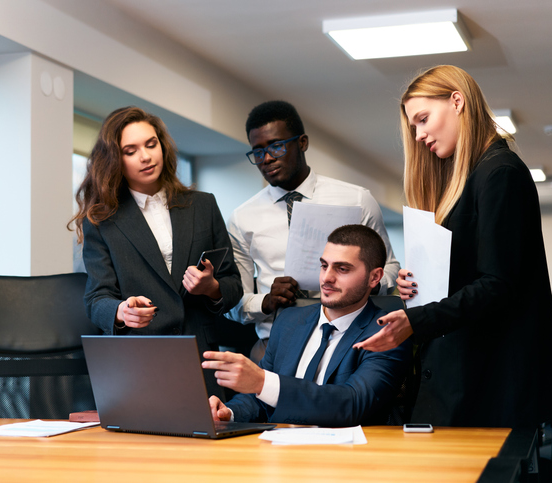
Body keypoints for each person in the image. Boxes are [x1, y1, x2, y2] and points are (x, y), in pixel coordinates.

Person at [353, 65, 552, 429]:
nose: (418, 135)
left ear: (457, 101)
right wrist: (418, 282)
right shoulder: (469, 178)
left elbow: (497, 284)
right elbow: (469, 274)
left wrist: (414, 320)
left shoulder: (499, 173)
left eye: (422, 119)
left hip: (492, 381)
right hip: (466, 370)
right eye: (413, 127)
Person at [69, 106, 243, 397]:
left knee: (208, 441)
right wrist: (121, 311)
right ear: (115, 159)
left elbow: (233, 285)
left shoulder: (203, 206)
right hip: (138, 363)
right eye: (131, 150)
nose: (146, 156)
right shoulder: (102, 221)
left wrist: (212, 287)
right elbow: (96, 298)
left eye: (151, 145)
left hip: (201, 357)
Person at [226, 100, 401, 362]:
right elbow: (234, 303)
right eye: (258, 152)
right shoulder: (242, 217)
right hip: (276, 346)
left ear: (302, 142)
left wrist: (365, 286)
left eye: (276, 145)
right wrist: (266, 301)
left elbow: (390, 267)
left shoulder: (356, 199)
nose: (267, 158)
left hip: (348, 343)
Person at [204, 225, 412, 427]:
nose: (326, 278)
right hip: (280, 451)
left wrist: (262, 382)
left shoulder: (389, 332)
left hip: (348, 455)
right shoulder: (289, 321)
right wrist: (228, 413)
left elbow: (352, 404)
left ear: (374, 277)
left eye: (342, 269)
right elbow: (260, 398)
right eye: (324, 265)